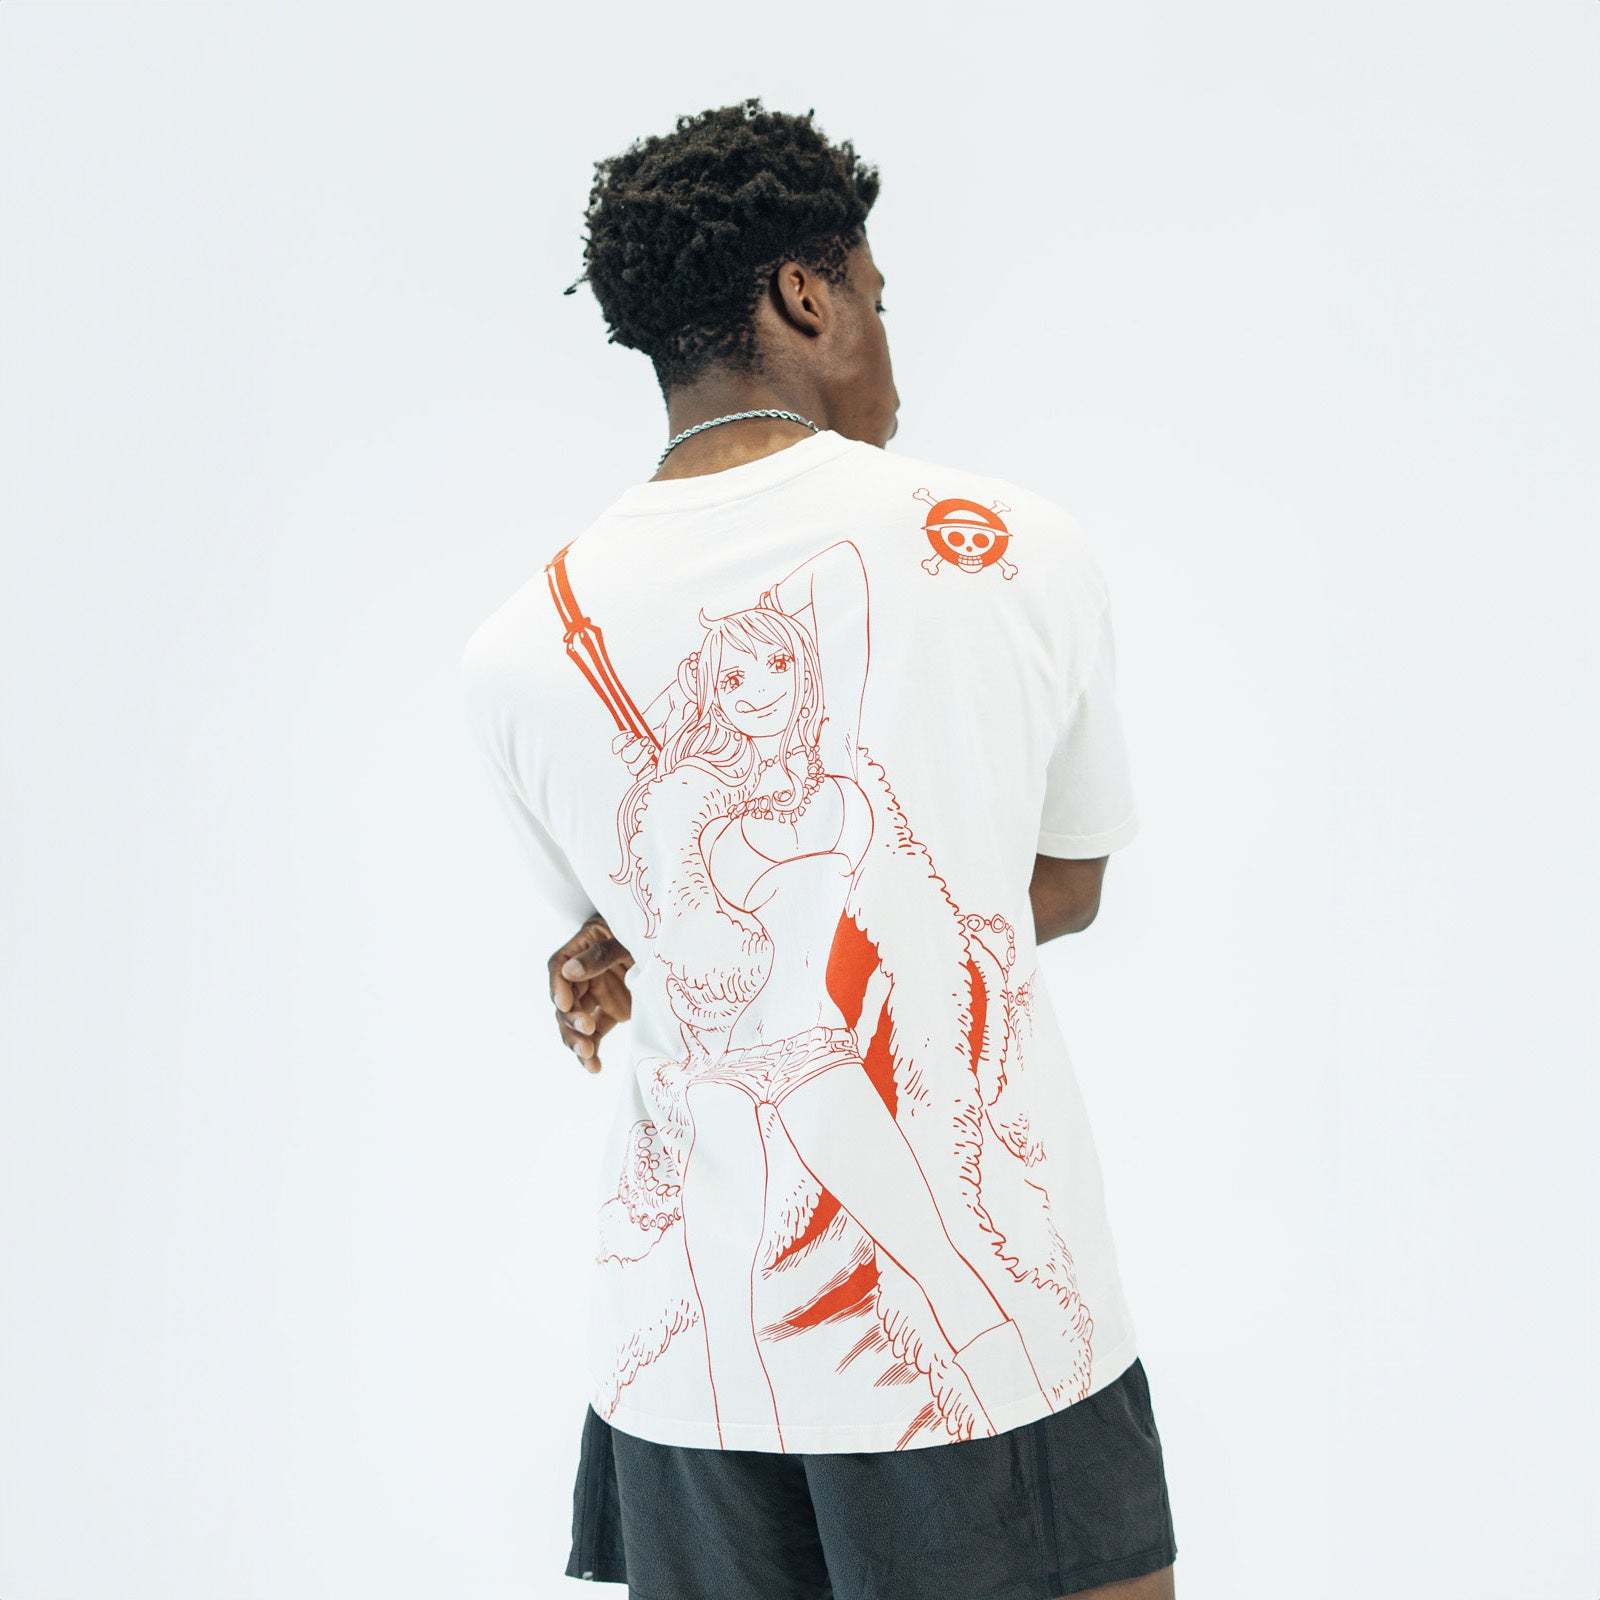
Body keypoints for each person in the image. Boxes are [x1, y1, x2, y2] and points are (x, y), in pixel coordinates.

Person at [460, 97, 1177, 1600]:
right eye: (876, 300)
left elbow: (622, 940)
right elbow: (1061, 884)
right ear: (808, 294)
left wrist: (658, 937)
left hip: (690, 1372)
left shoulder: (518, 646)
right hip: (1001, 1354)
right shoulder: (1007, 543)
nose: (888, 350)